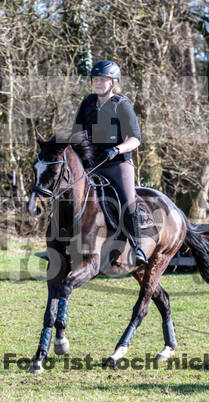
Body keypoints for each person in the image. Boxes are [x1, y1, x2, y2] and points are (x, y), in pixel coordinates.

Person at [71, 59, 148, 266]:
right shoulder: (87, 103)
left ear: (113, 82)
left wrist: (116, 149)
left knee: (127, 201)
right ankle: (63, 245)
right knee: (69, 193)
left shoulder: (121, 105)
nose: (97, 83)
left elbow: (135, 139)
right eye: (95, 79)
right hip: (92, 164)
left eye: (102, 80)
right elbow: (76, 134)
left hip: (117, 163)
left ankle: (137, 246)